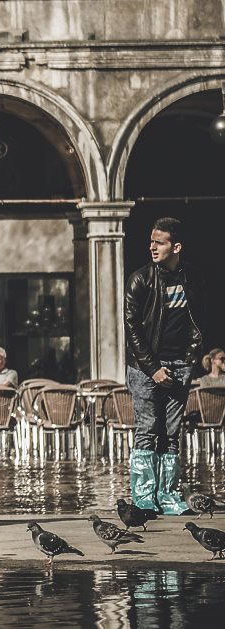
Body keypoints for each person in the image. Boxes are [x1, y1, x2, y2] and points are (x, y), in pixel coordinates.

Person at [123, 217, 202, 515]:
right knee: (147, 429)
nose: (152, 247)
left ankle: (168, 495)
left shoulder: (191, 278)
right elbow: (131, 329)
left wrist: (191, 358)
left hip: (180, 363)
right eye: (151, 241)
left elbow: (200, 321)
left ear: (176, 246)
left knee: (171, 431)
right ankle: (144, 498)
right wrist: (153, 368)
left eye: (160, 242)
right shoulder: (140, 279)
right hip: (145, 368)